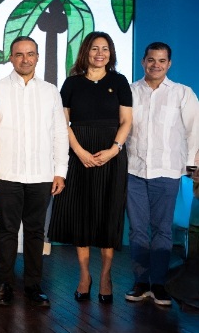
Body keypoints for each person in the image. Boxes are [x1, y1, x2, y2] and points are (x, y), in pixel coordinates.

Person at [49, 31, 133, 304]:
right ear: (85, 51)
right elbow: (62, 122)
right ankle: (85, 276)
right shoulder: (72, 83)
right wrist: (79, 151)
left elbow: (126, 121)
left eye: (105, 48)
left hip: (111, 154)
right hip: (79, 154)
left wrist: (114, 150)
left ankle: (106, 277)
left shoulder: (119, 81)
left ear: (111, 53)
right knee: (81, 215)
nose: (100, 53)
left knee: (108, 214)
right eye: (95, 48)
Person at [0, 36, 68, 308]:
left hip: (41, 174)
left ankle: (33, 285)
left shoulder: (50, 91)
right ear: (11, 57)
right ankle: (5, 284)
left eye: (30, 54)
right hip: (6, 173)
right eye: (19, 54)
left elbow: (59, 132)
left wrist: (60, 171)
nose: (25, 59)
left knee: (35, 232)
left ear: (37, 57)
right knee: (7, 230)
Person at [124, 42, 199, 306]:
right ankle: (141, 282)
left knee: (162, 229)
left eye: (162, 61)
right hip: (133, 171)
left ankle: (159, 284)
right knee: (137, 230)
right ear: (143, 61)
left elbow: (194, 131)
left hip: (167, 171)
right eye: (151, 60)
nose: (156, 65)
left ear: (169, 64)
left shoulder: (182, 93)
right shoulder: (130, 92)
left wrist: (191, 167)